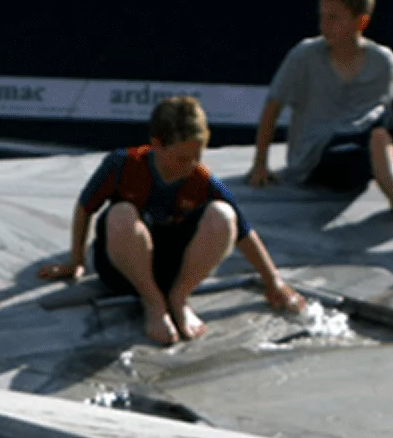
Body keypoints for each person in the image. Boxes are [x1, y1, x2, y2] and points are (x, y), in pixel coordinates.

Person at [39, 95, 303, 347]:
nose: (190, 165)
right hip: (124, 271)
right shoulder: (123, 164)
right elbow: (85, 207)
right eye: (182, 158)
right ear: (157, 144)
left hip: (172, 271)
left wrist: (274, 282)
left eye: (197, 156)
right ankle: (153, 303)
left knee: (223, 215)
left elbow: (244, 232)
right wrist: (75, 261)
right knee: (121, 214)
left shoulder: (201, 180)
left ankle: (178, 299)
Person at [247, 0, 393, 255]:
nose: (325, 26)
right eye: (322, 17)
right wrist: (260, 164)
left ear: (361, 22)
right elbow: (273, 105)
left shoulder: (383, 60)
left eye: (334, 18)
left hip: (368, 142)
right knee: (378, 138)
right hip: (323, 155)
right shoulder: (304, 54)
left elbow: (385, 114)